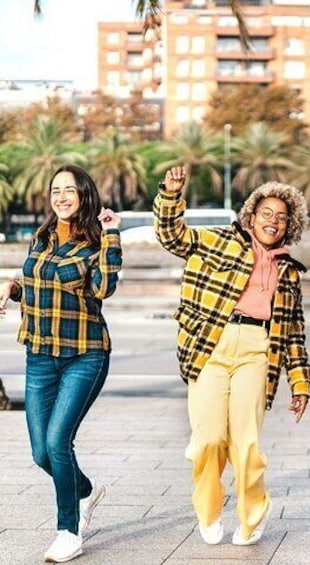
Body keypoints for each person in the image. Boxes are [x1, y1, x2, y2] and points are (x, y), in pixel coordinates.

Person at [154, 166, 310, 547]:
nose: (272, 221)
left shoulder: (289, 271)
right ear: (251, 216)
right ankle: (208, 512)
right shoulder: (219, 240)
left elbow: (293, 332)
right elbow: (172, 237)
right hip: (212, 345)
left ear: (289, 226)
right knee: (208, 439)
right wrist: (172, 195)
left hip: (257, 352)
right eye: (266, 213)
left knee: (246, 442)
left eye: (281, 217)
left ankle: (252, 513)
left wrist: (300, 382)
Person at [0, 165, 122, 563]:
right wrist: (11, 287)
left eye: (70, 189)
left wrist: (113, 235)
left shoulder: (96, 240)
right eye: (56, 189)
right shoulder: (43, 236)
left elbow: (103, 288)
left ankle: (68, 530)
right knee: (40, 454)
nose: (62, 196)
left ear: (85, 194)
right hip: (39, 356)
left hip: (84, 355)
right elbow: (36, 283)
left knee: (57, 442)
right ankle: (86, 491)